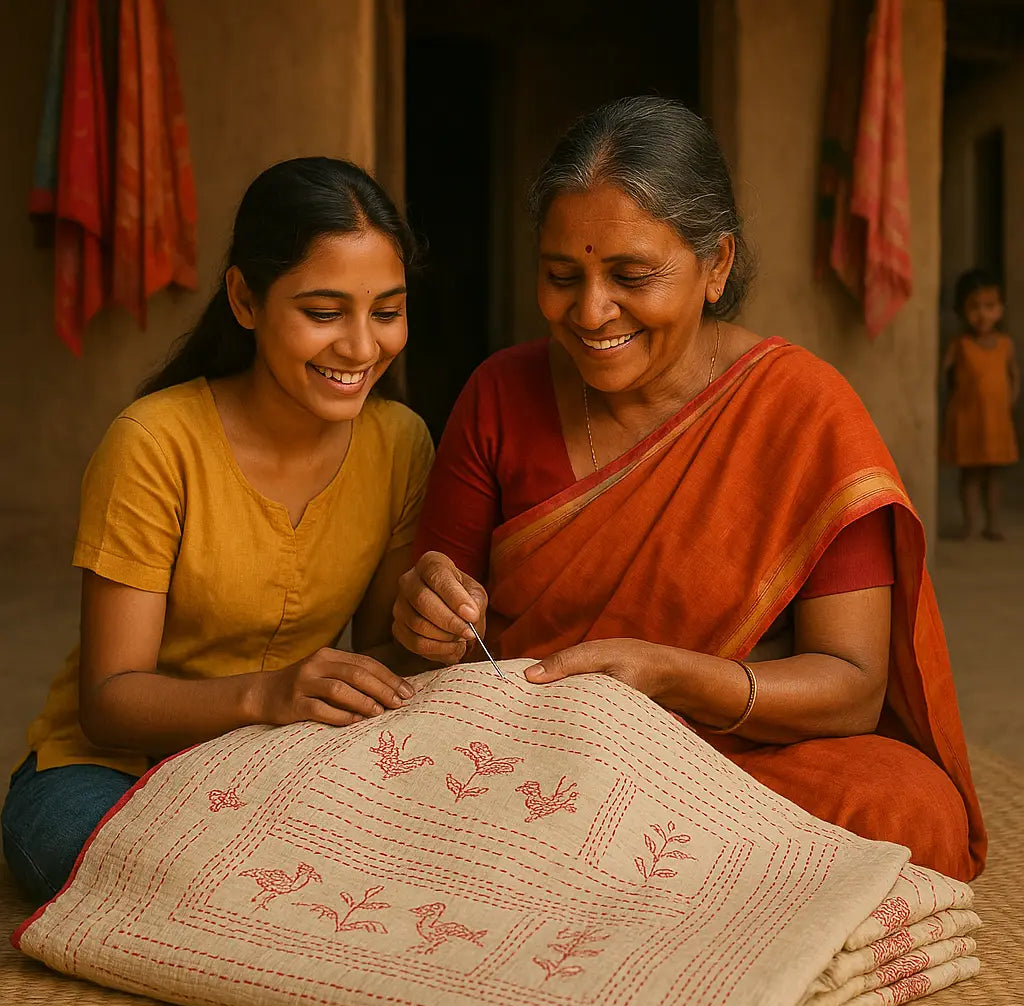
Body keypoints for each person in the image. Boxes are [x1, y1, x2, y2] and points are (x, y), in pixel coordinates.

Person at [392, 97, 986, 882]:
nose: (591, 312)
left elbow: (849, 687)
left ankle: (581, 879)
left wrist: (672, 676)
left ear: (717, 266)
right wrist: (427, 610)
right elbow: (430, 626)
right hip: (536, 755)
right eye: (561, 276)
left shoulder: (804, 408)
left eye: (632, 276)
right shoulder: (500, 392)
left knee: (910, 810)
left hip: (735, 758)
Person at [2, 158, 434, 905]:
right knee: (131, 859)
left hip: (278, 768)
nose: (362, 348)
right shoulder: (154, 444)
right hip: (110, 772)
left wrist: (437, 633)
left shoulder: (399, 442)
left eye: (386, 312)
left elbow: (385, 653)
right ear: (245, 298)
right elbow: (109, 701)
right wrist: (267, 695)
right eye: (324, 313)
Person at [941, 268, 1020, 540]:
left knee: (995, 476)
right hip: (969, 420)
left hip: (997, 421)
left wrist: (1009, 402)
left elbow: (1013, 375)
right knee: (971, 476)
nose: (982, 314)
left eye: (990, 306)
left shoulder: (1005, 344)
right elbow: (943, 374)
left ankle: (993, 522)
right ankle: (971, 523)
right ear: (961, 310)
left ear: (1001, 309)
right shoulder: (960, 345)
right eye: (974, 307)